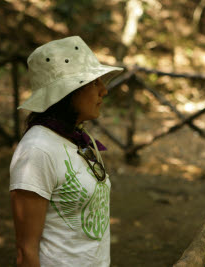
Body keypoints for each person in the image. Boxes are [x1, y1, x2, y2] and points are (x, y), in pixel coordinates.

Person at [9, 36, 123, 267]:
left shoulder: (80, 139)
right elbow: (26, 251)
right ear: (67, 93)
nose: (104, 90)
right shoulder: (37, 150)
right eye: (93, 82)